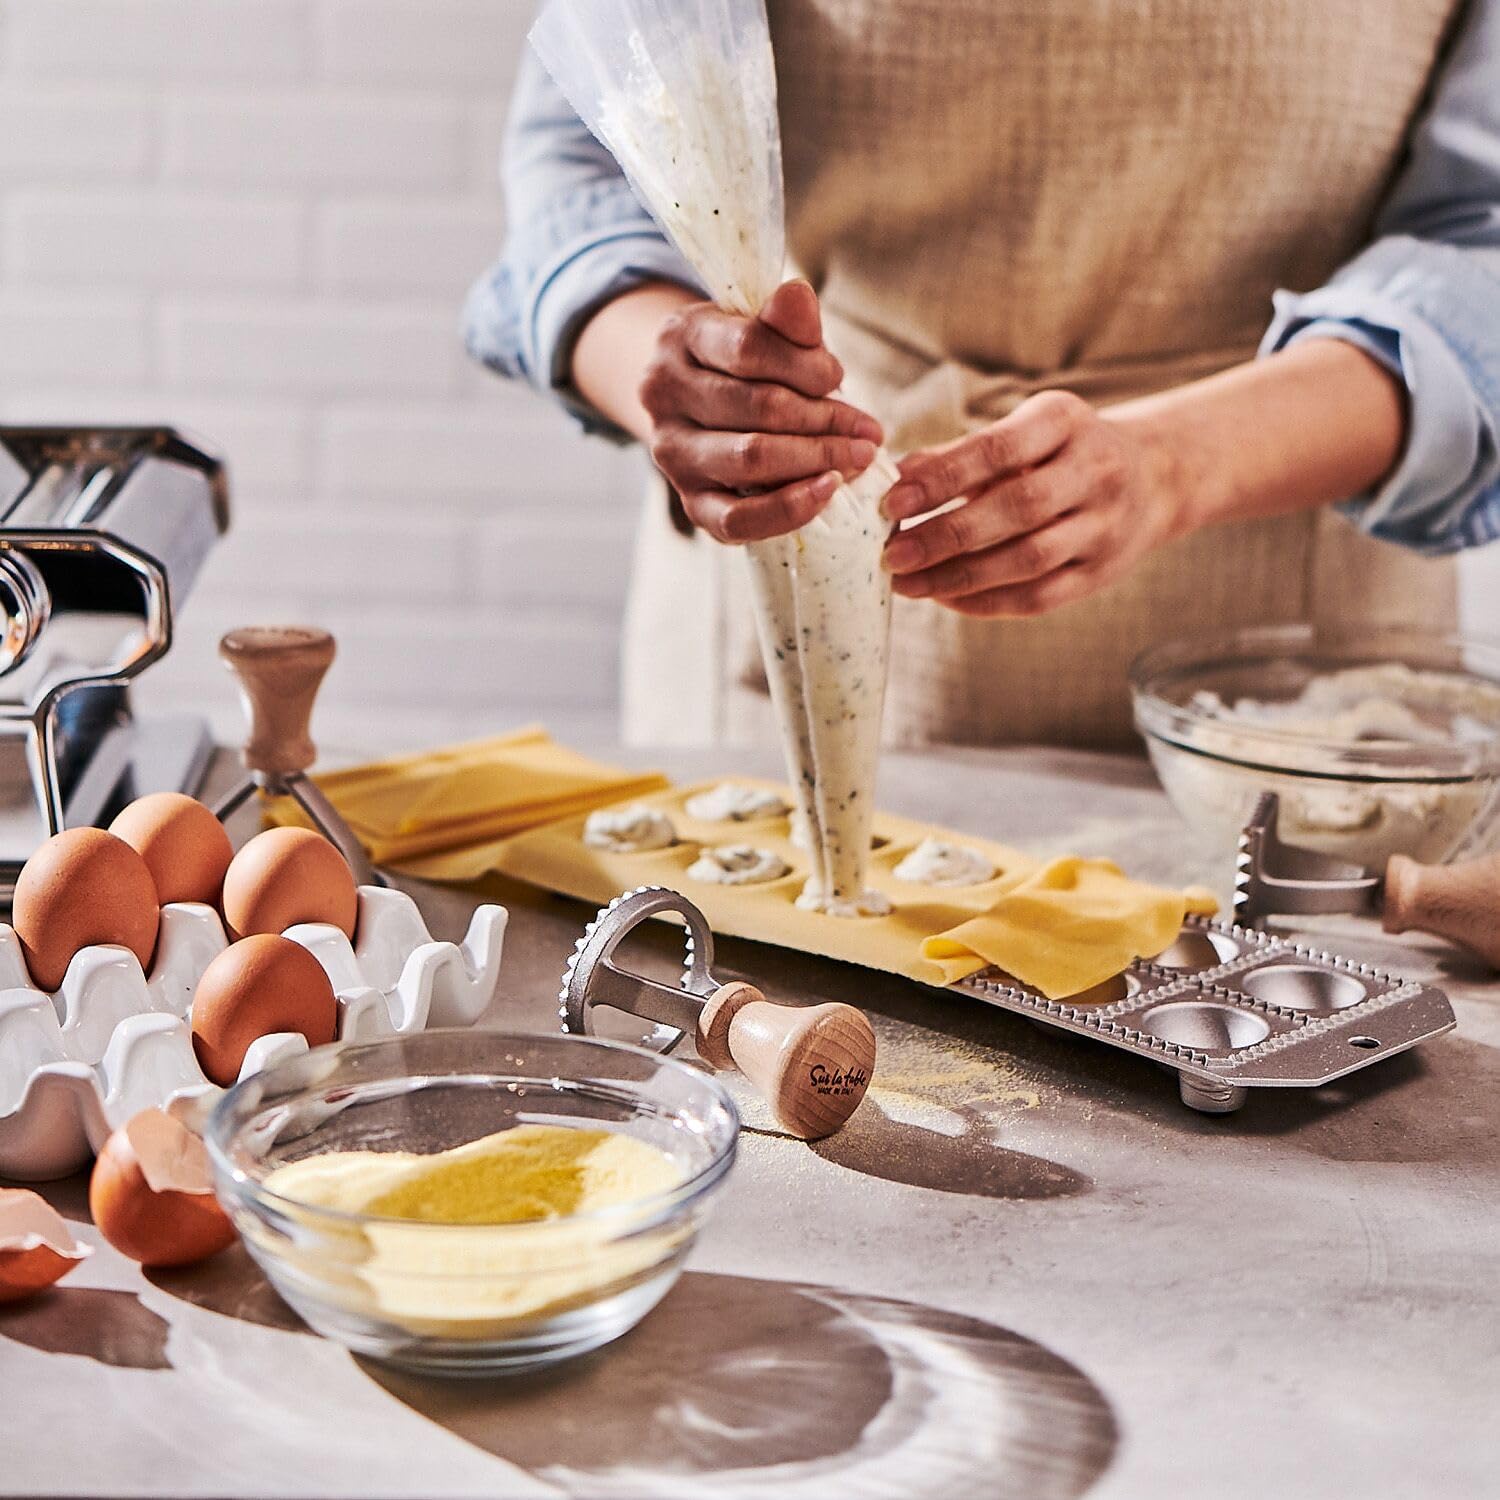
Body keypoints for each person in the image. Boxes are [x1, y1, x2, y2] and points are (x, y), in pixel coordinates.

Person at [466, 0, 1500, 750]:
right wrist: (676, 377)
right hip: (789, 603)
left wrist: (1176, 463)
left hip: (1292, 709)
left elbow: (1484, 245)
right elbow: (587, 151)